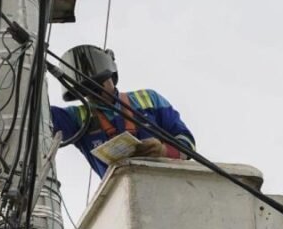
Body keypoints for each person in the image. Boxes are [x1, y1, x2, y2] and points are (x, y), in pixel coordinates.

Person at [51, 44, 195, 177]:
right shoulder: (76, 117)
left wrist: (163, 151)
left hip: (162, 182)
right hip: (119, 193)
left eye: (97, 85)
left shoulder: (149, 99)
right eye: (86, 90)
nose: (93, 93)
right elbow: (39, 114)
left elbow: (188, 144)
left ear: (112, 77)